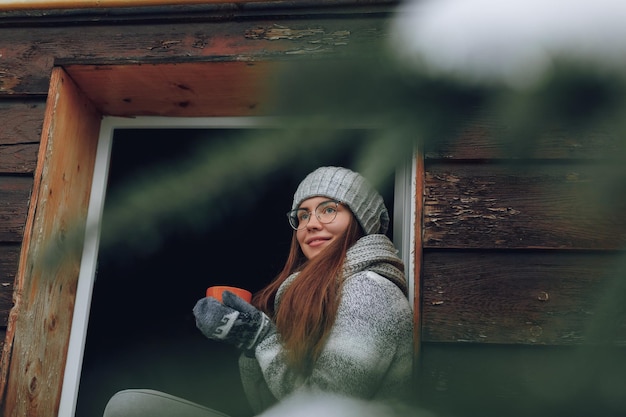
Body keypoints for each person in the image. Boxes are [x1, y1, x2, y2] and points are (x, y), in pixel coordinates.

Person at [103, 166, 414, 417]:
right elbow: (269, 408)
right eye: (303, 215)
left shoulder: (369, 290)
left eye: (329, 210)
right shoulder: (310, 294)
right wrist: (250, 346)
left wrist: (261, 338)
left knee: (131, 408)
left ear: (359, 222)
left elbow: (321, 408)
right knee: (132, 406)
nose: (311, 224)